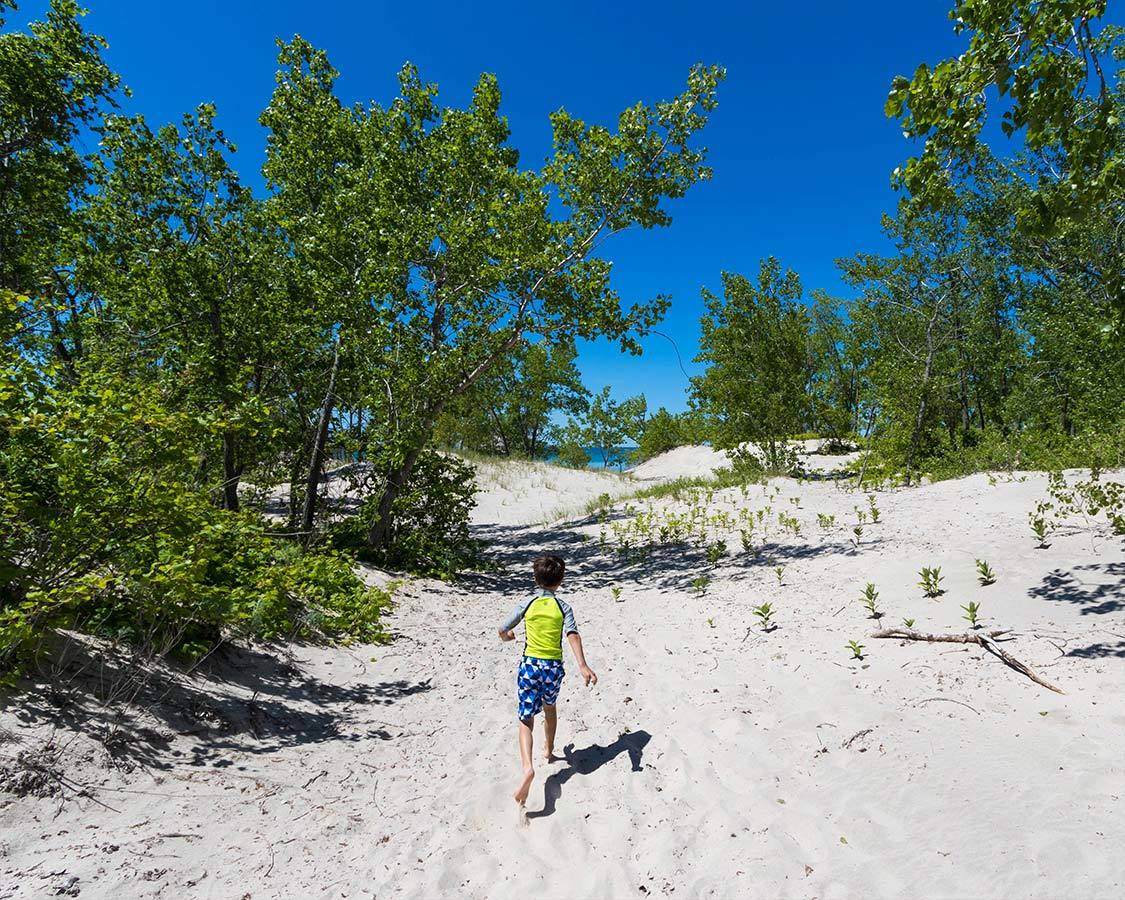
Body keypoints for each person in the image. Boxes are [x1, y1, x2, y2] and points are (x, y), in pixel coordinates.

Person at [497, 554, 597, 814]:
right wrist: (583, 666)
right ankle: (549, 751)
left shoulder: (528, 603)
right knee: (550, 707)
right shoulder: (563, 607)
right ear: (560, 581)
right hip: (553, 667)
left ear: (535, 578)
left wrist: (509, 637)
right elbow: (572, 634)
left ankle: (528, 768)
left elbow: (502, 629)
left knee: (525, 719)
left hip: (530, 665)